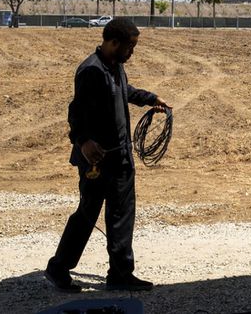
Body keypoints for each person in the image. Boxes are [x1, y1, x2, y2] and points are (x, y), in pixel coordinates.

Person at [45, 18, 171, 293]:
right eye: (130, 46)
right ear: (113, 42)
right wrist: (83, 141)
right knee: (87, 214)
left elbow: (123, 91)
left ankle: (120, 273)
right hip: (97, 159)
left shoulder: (116, 67)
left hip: (121, 157)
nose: (132, 52)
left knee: (122, 214)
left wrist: (150, 98)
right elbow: (75, 112)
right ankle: (58, 268)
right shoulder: (90, 70)